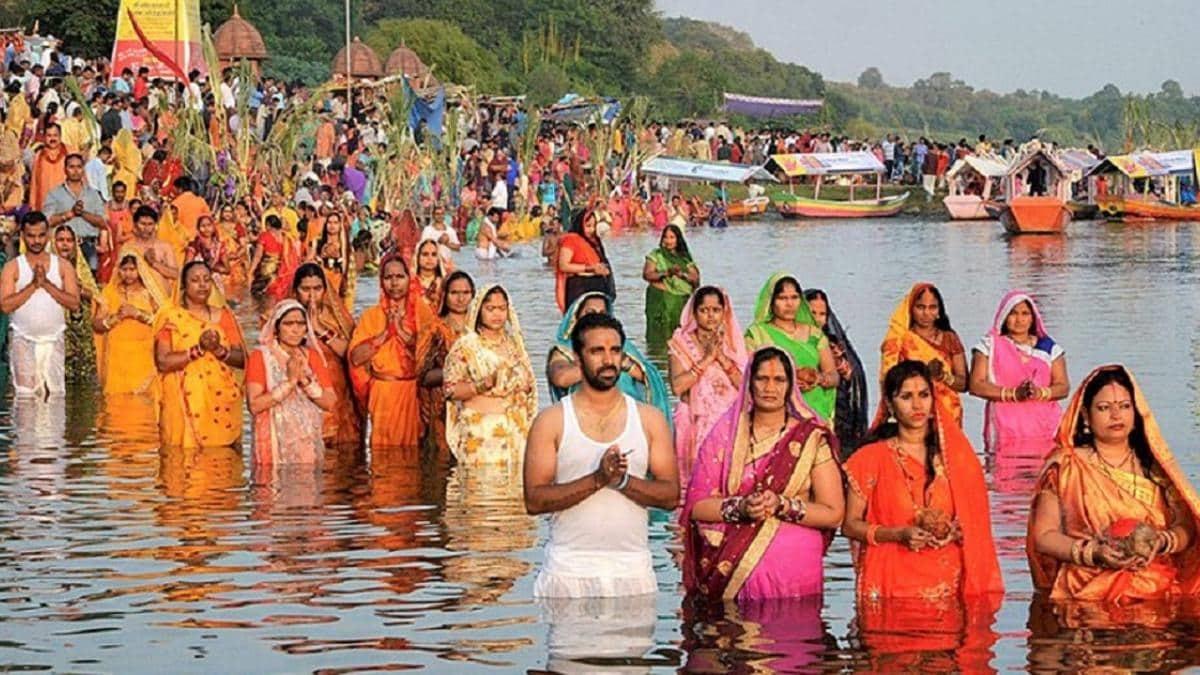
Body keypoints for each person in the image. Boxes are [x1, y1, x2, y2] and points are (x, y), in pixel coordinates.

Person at [524, 312, 679, 597]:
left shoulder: (649, 419)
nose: (608, 360)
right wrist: (597, 479)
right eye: (597, 351)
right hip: (568, 573)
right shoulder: (552, 421)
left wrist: (622, 482)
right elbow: (534, 500)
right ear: (578, 358)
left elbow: (670, 496)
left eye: (615, 351)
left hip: (633, 574)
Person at [681, 346, 844, 600]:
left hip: (794, 579)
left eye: (779, 380)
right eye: (762, 379)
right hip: (728, 574)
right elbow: (696, 507)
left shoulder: (811, 439)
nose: (770, 388)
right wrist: (741, 508)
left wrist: (783, 505)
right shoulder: (723, 435)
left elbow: (833, 514)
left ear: (790, 386)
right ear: (749, 382)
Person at [1028, 365, 1200, 604]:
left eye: (1124, 406)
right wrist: (1094, 553)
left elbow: (1188, 527)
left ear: (1136, 413)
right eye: (1104, 408)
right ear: (1086, 416)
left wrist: (1161, 542)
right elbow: (1044, 536)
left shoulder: (1155, 468)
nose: (1116, 416)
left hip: (1156, 589)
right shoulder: (1066, 466)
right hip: (1086, 592)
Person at [842, 360, 1003, 602]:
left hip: (947, 586)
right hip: (889, 585)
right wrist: (897, 534)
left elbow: (975, 524)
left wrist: (953, 531)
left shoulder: (957, 459)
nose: (917, 405)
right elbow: (850, 526)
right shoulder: (869, 458)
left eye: (924, 395)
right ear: (890, 405)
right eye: (906, 396)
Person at [154, 260, 246, 448]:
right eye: (195, 280)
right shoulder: (171, 318)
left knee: (223, 463)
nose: (202, 285)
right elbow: (163, 362)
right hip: (182, 403)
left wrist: (219, 350)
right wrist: (198, 350)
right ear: (183, 286)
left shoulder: (224, 316)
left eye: (206, 279)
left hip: (221, 401)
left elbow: (243, 359)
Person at [443, 284, 537, 466]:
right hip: (481, 434)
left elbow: (530, 384)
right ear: (479, 310)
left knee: (513, 491)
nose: (497, 314)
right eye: (490, 309)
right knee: (481, 491)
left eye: (502, 308)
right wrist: (481, 385)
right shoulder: (467, 346)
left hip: (515, 433)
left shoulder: (514, 345)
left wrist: (522, 386)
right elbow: (450, 390)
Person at [548, 291, 672, 424]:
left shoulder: (624, 347)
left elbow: (649, 378)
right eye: (590, 312)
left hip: (628, 419)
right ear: (575, 317)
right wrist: (601, 366)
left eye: (602, 313)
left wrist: (624, 364)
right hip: (585, 420)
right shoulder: (565, 349)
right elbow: (560, 378)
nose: (596, 317)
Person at [969, 291, 1069, 451]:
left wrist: (1039, 393)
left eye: (1025, 313)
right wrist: (1014, 394)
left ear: (1033, 317)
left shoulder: (1048, 347)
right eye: (1013, 313)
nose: (1019, 319)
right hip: (1004, 426)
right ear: (1004, 316)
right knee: (1003, 473)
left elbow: (1063, 387)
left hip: (1046, 426)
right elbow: (975, 385)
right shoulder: (990, 345)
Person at [668, 286, 747, 486]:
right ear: (694, 313)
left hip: (728, 421)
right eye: (704, 310)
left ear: (724, 312)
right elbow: (677, 387)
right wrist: (706, 359)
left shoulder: (733, 343)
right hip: (693, 421)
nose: (710, 316)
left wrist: (722, 358)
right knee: (693, 483)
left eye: (716, 310)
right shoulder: (681, 343)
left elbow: (744, 386)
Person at [246, 299, 337, 468]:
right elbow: (255, 405)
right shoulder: (260, 357)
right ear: (276, 327)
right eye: (289, 323)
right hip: (273, 441)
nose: (296, 329)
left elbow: (329, 402)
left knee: (307, 488)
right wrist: (289, 383)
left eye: (301, 324)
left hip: (306, 439)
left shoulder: (312, 357)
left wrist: (305, 381)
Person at [0, 211, 80, 397]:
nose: (36, 241)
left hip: (54, 339)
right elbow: (5, 306)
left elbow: (74, 303)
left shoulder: (62, 265)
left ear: (48, 235)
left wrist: (47, 284)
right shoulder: (12, 267)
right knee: (25, 400)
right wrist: (33, 285)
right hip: (22, 339)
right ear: (23, 236)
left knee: (55, 399)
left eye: (41, 235)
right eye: (31, 236)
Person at [744, 274, 839, 421]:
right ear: (771, 301)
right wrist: (789, 379)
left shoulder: (814, 334)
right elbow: (748, 374)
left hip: (815, 409)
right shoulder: (757, 334)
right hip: (776, 408)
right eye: (782, 298)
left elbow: (833, 375)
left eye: (794, 297)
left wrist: (817, 378)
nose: (789, 304)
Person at [348, 255, 421, 448]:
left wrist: (403, 333)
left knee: (415, 457)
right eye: (389, 277)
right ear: (381, 281)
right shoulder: (371, 316)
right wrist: (385, 334)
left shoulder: (422, 314)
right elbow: (355, 358)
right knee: (383, 455)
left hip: (415, 393)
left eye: (400, 276)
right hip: (383, 394)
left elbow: (429, 354)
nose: (394, 282)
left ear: (409, 278)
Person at [292, 262, 362, 448]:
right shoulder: (283, 318)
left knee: (340, 459)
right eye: (306, 289)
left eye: (317, 288)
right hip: (299, 396)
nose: (312, 295)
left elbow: (351, 354)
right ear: (296, 291)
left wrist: (319, 329)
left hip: (337, 397)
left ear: (325, 289)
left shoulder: (337, 317)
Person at [879, 282, 968, 427]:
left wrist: (943, 376)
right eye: (920, 307)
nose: (927, 313)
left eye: (932, 307)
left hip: (948, 412)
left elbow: (964, 384)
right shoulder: (900, 340)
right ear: (910, 309)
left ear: (939, 310)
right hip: (911, 413)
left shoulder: (949, 338)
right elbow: (889, 380)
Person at [92, 247, 166, 397]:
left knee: (144, 401)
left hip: (143, 354)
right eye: (124, 269)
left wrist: (138, 314)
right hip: (117, 356)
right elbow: (96, 324)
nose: (128, 273)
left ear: (140, 270)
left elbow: (163, 320)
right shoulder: (109, 292)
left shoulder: (150, 293)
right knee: (116, 400)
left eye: (132, 269)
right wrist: (116, 318)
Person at [805, 288, 870, 455]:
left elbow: (853, 378)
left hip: (840, 415)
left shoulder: (834, 345)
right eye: (812, 313)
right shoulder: (795, 344)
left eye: (822, 314)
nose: (818, 320)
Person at [416, 270, 474, 455]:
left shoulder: (480, 329)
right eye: (454, 293)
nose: (460, 299)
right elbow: (423, 375)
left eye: (465, 293)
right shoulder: (435, 329)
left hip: (476, 406)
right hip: (443, 409)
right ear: (445, 295)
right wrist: (458, 373)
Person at [43, 152, 107, 269]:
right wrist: (69, 214)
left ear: (83, 169)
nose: (75, 170)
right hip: (63, 248)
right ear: (65, 170)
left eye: (79, 167)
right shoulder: (55, 194)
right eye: (71, 167)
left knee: (90, 284)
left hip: (88, 245)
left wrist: (82, 213)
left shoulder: (93, 194)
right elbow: (47, 221)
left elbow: (103, 222)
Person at [52, 225, 98, 382]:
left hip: (80, 332)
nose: (65, 244)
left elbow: (95, 296)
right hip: (54, 330)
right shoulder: (45, 268)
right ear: (53, 243)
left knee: (81, 382)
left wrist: (78, 289)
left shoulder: (80, 267)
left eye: (69, 240)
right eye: (60, 240)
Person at [642, 224, 699, 346]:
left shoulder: (684, 258)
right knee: (660, 333)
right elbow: (647, 275)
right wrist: (667, 273)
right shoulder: (656, 255)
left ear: (678, 239)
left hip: (681, 301)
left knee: (680, 334)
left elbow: (695, 278)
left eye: (672, 237)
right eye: (666, 237)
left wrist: (681, 274)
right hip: (661, 300)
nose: (668, 241)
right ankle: (657, 358)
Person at [555, 208, 613, 312]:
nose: (592, 230)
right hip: (580, 288)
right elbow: (563, 265)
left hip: (597, 289)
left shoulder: (594, 243)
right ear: (579, 224)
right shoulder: (571, 239)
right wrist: (590, 269)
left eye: (594, 226)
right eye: (588, 226)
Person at [127, 205, 179, 293]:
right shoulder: (128, 248)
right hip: (135, 299)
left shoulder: (164, 247)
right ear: (135, 224)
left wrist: (154, 263)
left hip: (162, 301)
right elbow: (120, 276)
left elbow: (175, 274)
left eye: (150, 224)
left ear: (155, 225)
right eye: (142, 223)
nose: (146, 228)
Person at [412, 238, 446, 308]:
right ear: (417, 257)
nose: (430, 258)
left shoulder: (445, 284)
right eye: (425, 254)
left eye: (434, 254)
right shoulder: (410, 283)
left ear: (438, 258)